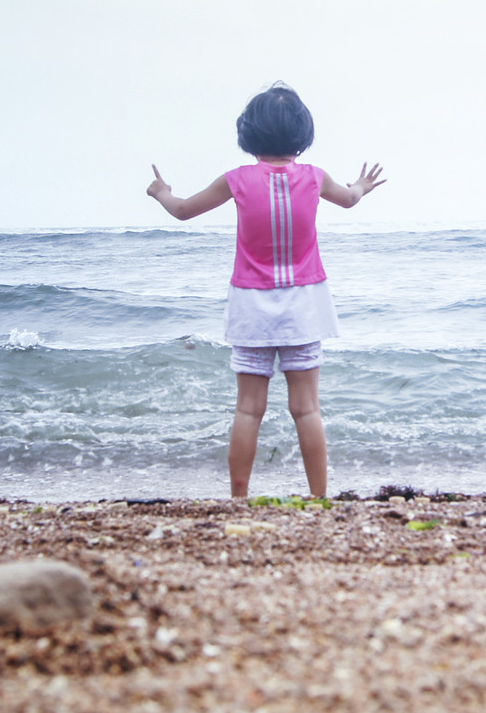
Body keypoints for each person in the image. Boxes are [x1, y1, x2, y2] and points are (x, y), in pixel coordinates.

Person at [146, 84, 385, 499]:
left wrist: (161, 192)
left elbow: (183, 211)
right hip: (305, 303)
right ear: (303, 135)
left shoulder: (237, 180)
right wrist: (362, 184)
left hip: (251, 306)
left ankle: (239, 498)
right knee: (307, 408)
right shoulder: (314, 178)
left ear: (248, 134)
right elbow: (349, 199)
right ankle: (318, 498)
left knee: (248, 409)